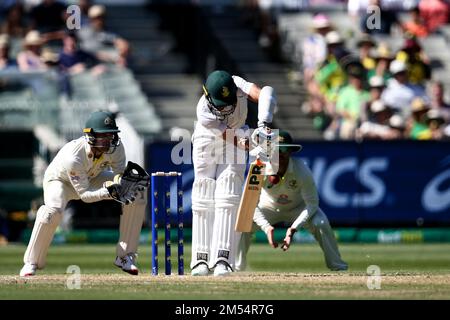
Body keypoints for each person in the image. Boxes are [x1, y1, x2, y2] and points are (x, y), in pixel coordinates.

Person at [19, 111, 148, 277]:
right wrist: (108, 192)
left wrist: (120, 186)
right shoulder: (73, 156)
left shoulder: (116, 148)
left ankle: (125, 256)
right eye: (103, 137)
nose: (108, 141)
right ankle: (31, 262)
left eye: (111, 136)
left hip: (91, 177)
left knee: (136, 191)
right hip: (60, 181)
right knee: (52, 212)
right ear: (91, 136)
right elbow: (85, 195)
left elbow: (118, 175)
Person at [190, 70, 277, 277]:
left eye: (228, 103)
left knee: (228, 195)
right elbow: (233, 139)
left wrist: (264, 126)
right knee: (204, 193)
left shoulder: (237, 84)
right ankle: (200, 260)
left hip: (238, 133)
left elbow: (264, 93)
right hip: (208, 141)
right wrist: (255, 146)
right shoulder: (203, 111)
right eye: (220, 105)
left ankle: (222, 259)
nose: (225, 109)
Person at [235, 130, 348, 272]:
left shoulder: (301, 169)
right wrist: (266, 227)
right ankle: (238, 268)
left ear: (290, 152)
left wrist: (293, 228)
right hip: (268, 207)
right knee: (244, 223)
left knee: (320, 222)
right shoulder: (258, 168)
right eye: (276, 149)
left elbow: (312, 204)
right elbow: (248, 203)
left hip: (297, 208)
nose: (280, 154)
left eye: (284, 149)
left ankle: (338, 266)